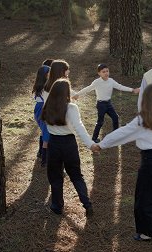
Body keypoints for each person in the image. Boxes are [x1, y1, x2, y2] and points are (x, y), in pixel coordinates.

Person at [91, 84, 152, 241]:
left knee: (144, 197)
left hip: (151, 162)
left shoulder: (142, 119)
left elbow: (122, 133)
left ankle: (148, 233)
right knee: (149, 190)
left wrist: (101, 145)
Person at [41, 78, 94, 217]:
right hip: (69, 144)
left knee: (55, 176)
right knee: (76, 175)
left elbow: (45, 125)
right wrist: (90, 144)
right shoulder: (71, 107)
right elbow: (79, 128)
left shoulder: (48, 106)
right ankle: (87, 204)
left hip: (54, 144)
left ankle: (57, 206)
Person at [72, 64, 139, 143]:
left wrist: (132, 90)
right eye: (103, 72)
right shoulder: (97, 82)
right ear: (99, 73)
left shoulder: (111, 81)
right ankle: (94, 138)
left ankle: (115, 136)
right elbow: (88, 89)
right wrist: (77, 94)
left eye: (107, 71)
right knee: (100, 122)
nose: (106, 73)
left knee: (115, 118)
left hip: (108, 104)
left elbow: (120, 87)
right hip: (101, 105)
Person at [32, 64, 50, 166]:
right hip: (43, 110)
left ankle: (40, 153)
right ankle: (44, 160)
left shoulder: (37, 86)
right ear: (45, 75)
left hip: (37, 110)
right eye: (49, 73)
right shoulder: (45, 88)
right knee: (47, 137)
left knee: (44, 132)